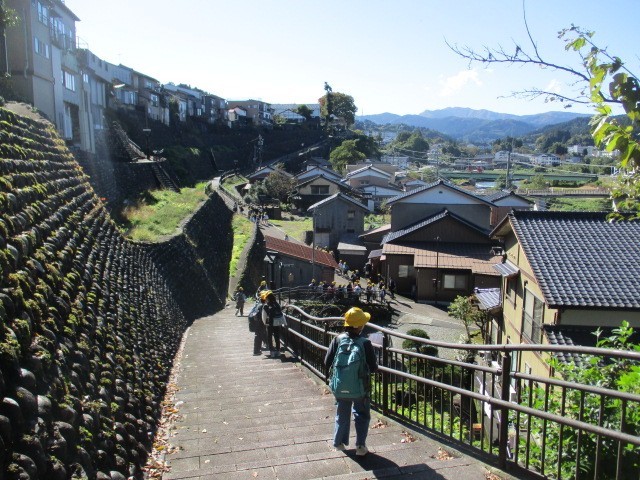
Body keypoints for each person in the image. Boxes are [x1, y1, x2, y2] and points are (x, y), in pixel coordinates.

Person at [324, 307, 378, 456]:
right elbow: (373, 367)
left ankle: (338, 443)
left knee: (341, 414)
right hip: (360, 388)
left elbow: (327, 361)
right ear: (359, 325)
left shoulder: (337, 339)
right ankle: (360, 446)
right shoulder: (365, 343)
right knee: (361, 414)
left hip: (341, 386)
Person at [262, 291, 284, 358]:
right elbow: (280, 311)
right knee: (277, 337)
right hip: (277, 322)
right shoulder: (277, 304)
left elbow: (264, 316)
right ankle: (278, 351)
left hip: (270, 323)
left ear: (267, 298)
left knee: (269, 337)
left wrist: (265, 323)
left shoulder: (266, 305)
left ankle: (272, 352)